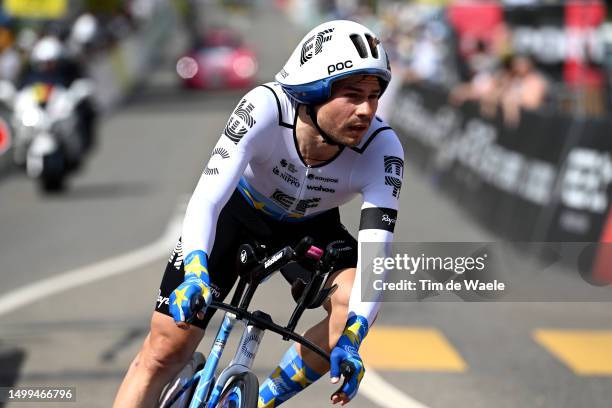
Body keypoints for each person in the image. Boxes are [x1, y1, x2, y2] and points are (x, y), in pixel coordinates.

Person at [113, 19, 404, 407]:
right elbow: (207, 199)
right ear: (313, 92)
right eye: (352, 95)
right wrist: (196, 270)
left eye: (374, 96)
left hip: (311, 227)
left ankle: (262, 400)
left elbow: (375, 260)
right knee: (165, 348)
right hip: (238, 212)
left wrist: (353, 337)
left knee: (353, 307)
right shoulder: (264, 107)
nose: (366, 110)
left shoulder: (383, 149)